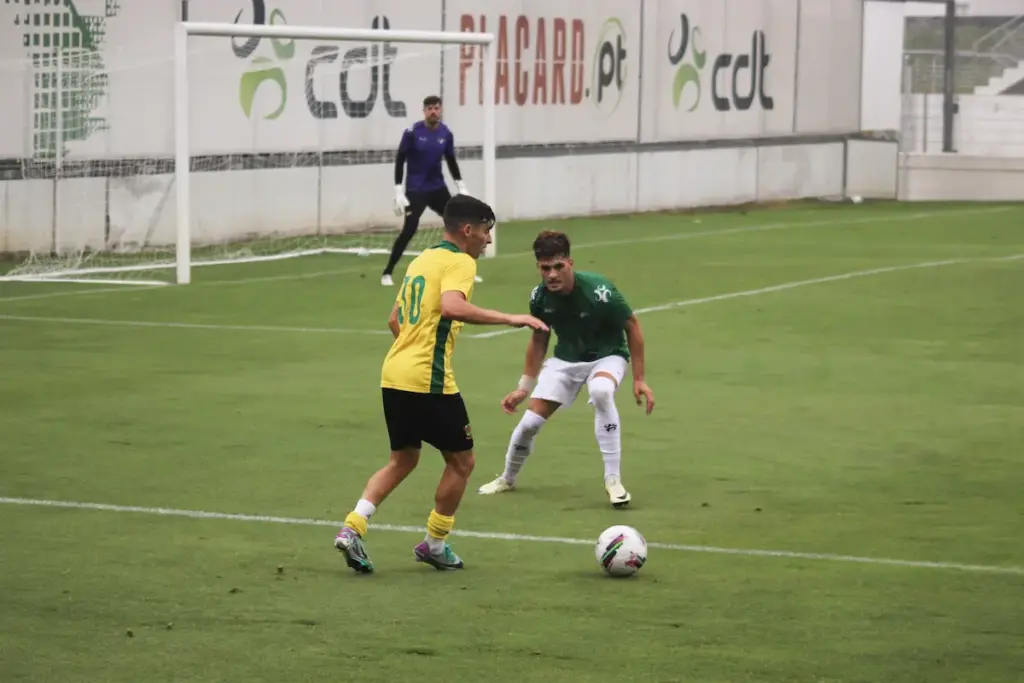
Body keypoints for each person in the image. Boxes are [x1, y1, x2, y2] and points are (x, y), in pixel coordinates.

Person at [335, 195, 548, 574]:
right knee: (463, 461)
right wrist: (511, 318)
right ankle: (434, 544)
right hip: (427, 379)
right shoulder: (459, 262)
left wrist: (412, 346)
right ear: (468, 231)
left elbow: (394, 319)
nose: (487, 240)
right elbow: (452, 306)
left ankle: (353, 527)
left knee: (403, 459)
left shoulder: (422, 260)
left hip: (394, 373)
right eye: (485, 232)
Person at [477, 230, 655, 508]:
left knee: (601, 391)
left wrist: (640, 379)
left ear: (570, 263)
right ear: (538, 267)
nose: (552, 275)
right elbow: (539, 338)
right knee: (529, 424)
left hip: (607, 356)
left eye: (558, 266)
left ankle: (613, 480)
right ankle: (507, 478)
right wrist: (523, 387)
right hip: (566, 360)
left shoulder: (600, 291)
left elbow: (632, 325)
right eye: (545, 268)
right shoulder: (539, 297)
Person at [383, 94, 481, 287]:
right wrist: (398, 190)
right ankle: (387, 272)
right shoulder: (412, 132)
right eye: (429, 108)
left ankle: (465, 268)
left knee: (461, 226)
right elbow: (400, 159)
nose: (433, 111)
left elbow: (451, 160)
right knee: (409, 229)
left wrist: (461, 185)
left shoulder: (445, 133)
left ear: (440, 110)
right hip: (416, 189)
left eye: (436, 108)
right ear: (424, 111)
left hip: (437, 188)